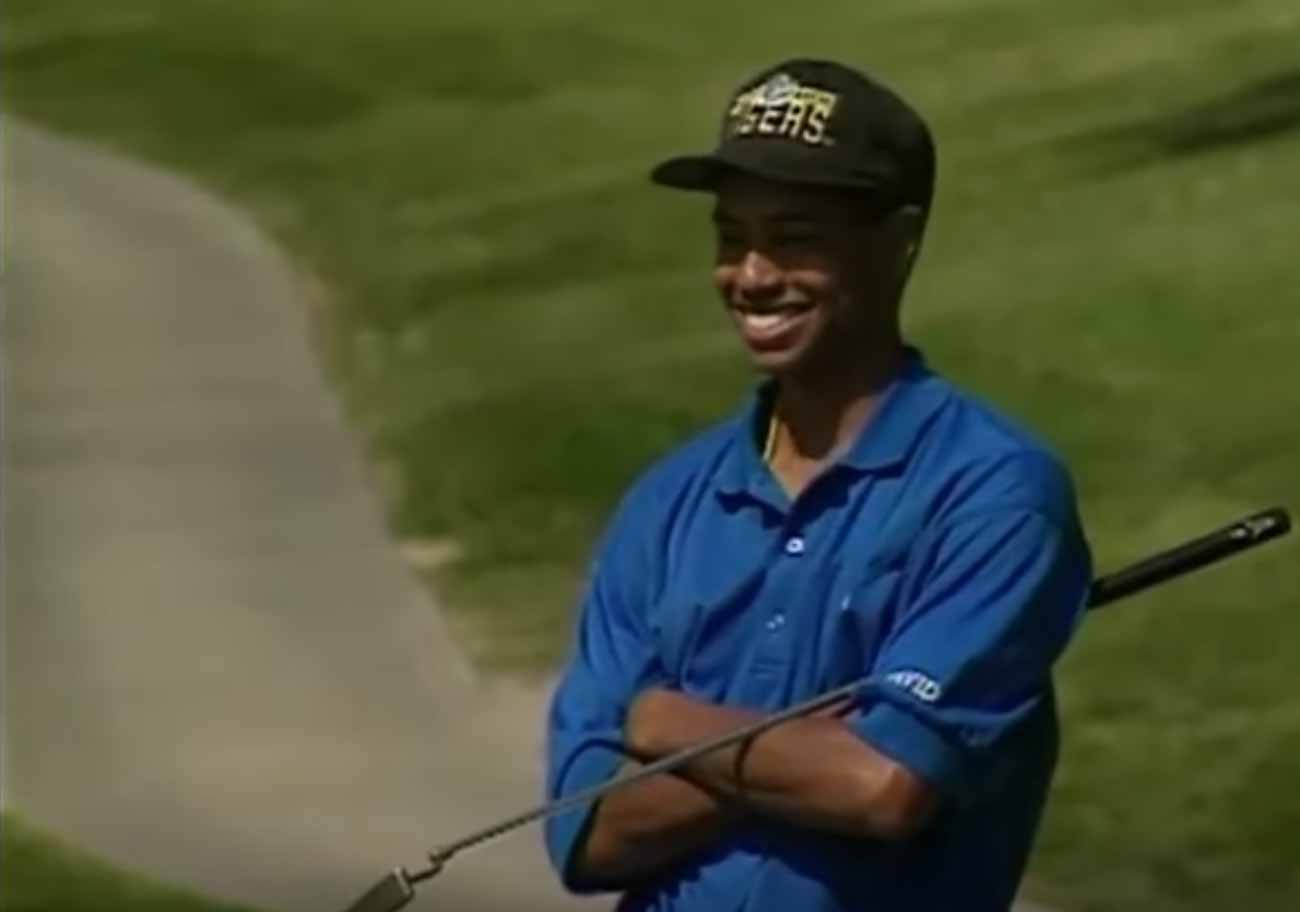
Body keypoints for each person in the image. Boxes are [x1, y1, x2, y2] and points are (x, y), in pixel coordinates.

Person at [543, 58, 1093, 912]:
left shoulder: (995, 494)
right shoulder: (666, 503)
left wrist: (661, 721)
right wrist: (802, 750)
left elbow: (883, 788)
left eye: (794, 236)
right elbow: (584, 834)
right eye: (731, 237)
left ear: (899, 241)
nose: (752, 275)